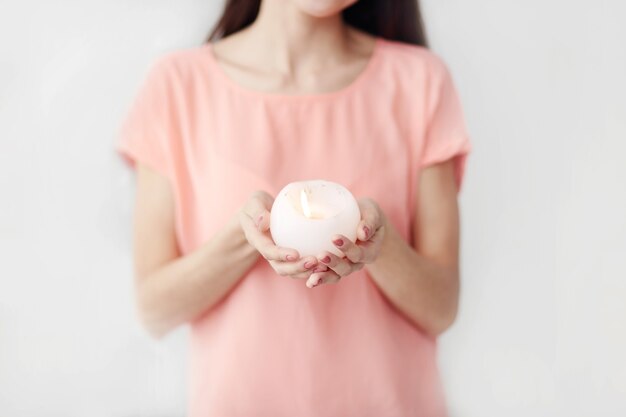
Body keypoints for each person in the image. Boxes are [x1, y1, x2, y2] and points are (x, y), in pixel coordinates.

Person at [116, 0, 472, 415]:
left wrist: (382, 245)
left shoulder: (420, 83)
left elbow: (442, 308)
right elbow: (154, 309)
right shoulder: (176, 87)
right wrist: (243, 238)